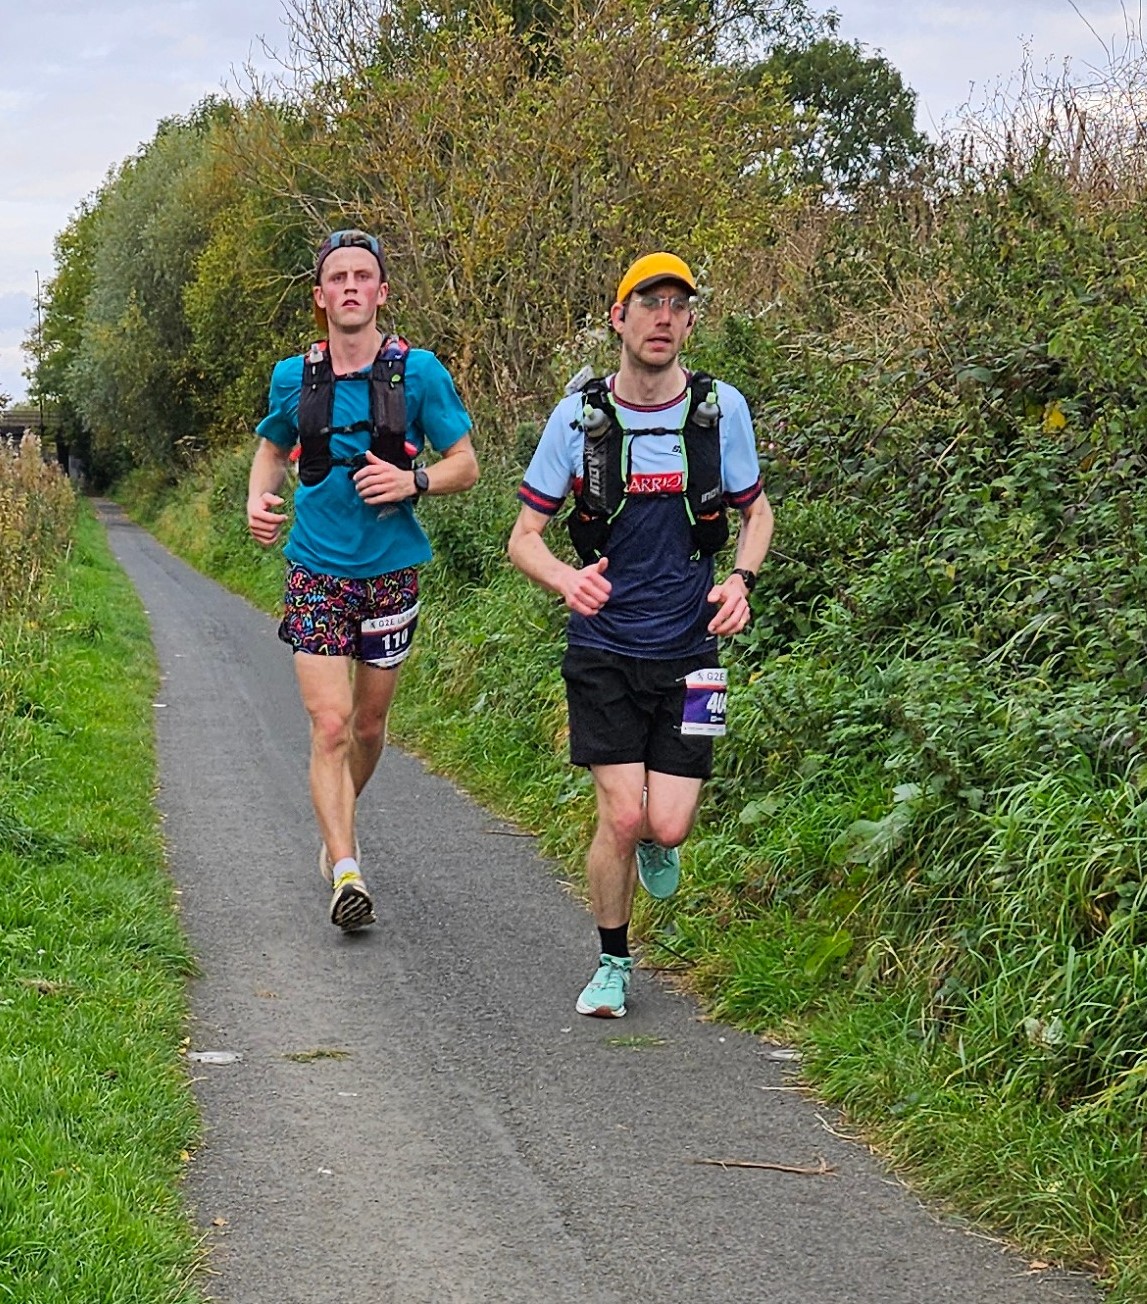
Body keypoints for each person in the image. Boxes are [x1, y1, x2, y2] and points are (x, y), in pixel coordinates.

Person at [508, 252, 773, 1017]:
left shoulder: (720, 411)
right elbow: (524, 535)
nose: (662, 316)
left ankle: (660, 838)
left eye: (676, 305)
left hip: (693, 653)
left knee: (668, 821)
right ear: (618, 319)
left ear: (690, 324)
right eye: (646, 302)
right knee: (620, 817)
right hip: (604, 652)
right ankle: (613, 964)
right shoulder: (579, 418)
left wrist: (740, 581)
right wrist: (566, 578)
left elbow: (756, 513)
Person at [247, 229, 479, 931]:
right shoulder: (295, 376)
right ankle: (346, 869)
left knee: (370, 727)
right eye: (337, 278)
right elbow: (269, 446)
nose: (350, 286)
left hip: (389, 576)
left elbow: (465, 463)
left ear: (380, 292)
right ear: (320, 298)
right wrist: (257, 499)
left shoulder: (421, 374)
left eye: (363, 276)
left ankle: (336, 822)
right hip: (316, 572)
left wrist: (414, 479)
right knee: (330, 724)